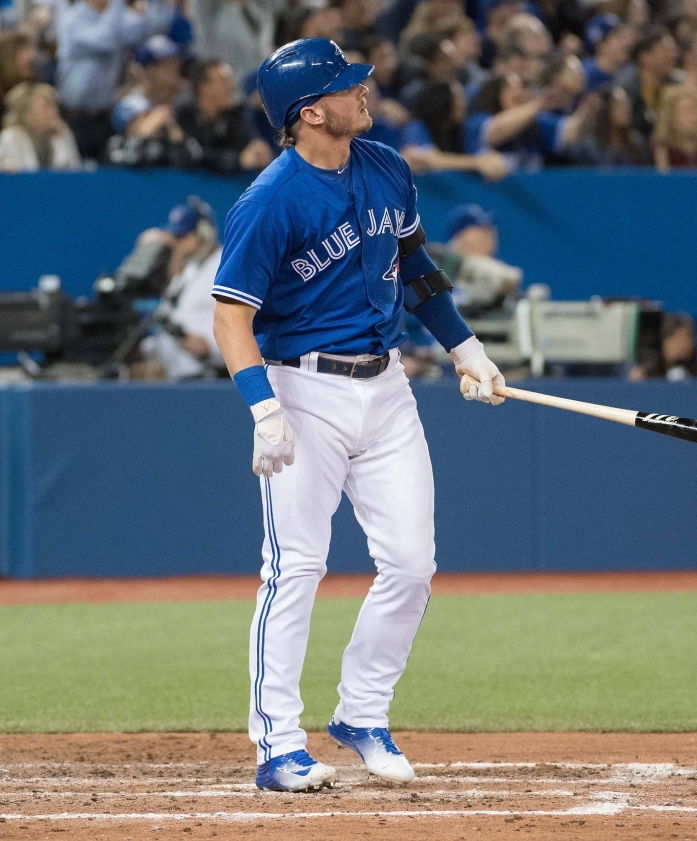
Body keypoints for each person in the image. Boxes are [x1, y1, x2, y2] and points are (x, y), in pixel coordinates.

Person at [211, 37, 505, 793]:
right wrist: (263, 409)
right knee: (295, 568)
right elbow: (230, 317)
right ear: (311, 112)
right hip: (302, 391)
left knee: (411, 564)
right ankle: (278, 745)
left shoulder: (388, 168)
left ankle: (361, 713)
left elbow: (417, 269)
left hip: (388, 387)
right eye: (348, 87)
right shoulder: (270, 200)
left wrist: (466, 347)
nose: (365, 93)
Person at [55, 0, 172, 161]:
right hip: (74, 118)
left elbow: (155, 27)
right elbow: (105, 39)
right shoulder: (71, 19)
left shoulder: (117, 18)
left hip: (103, 117)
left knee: (107, 178)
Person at [137, 198, 226, 379]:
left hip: (209, 374)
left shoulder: (226, 266)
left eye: (182, 237)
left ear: (204, 233)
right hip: (175, 371)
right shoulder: (188, 269)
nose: (175, 243)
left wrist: (208, 348)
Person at [175, 59, 273, 173]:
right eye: (223, 81)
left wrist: (258, 152)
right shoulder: (184, 117)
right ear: (204, 87)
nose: (231, 86)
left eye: (230, 80)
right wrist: (238, 160)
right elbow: (193, 155)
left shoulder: (236, 115)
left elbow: (249, 147)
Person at [400, 78, 509, 178]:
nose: (464, 103)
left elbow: (483, 154)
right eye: (458, 98)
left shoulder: (461, 131)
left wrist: (493, 161)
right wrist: (476, 163)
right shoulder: (417, 127)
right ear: (441, 101)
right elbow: (429, 159)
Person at [0, 81, 79, 170]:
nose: (53, 112)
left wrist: (65, 136)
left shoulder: (62, 134)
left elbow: (75, 173)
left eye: (54, 105)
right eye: (45, 106)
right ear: (26, 112)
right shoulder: (10, 138)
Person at [651, 82, 697, 169]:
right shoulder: (662, 148)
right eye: (688, 112)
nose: (694, 118)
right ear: (670, 116)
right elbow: (664, 180)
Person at [629, 312, 697, 380]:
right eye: (677, 339)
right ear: (664, 342)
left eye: (688, 338)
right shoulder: (644, 375)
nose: (683, 345)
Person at [580, 13, 631, 91]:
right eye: (618, 36)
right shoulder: (584, 73)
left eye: (624, 37)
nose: (625, 42)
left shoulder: (627, 74)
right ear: (599, 44)